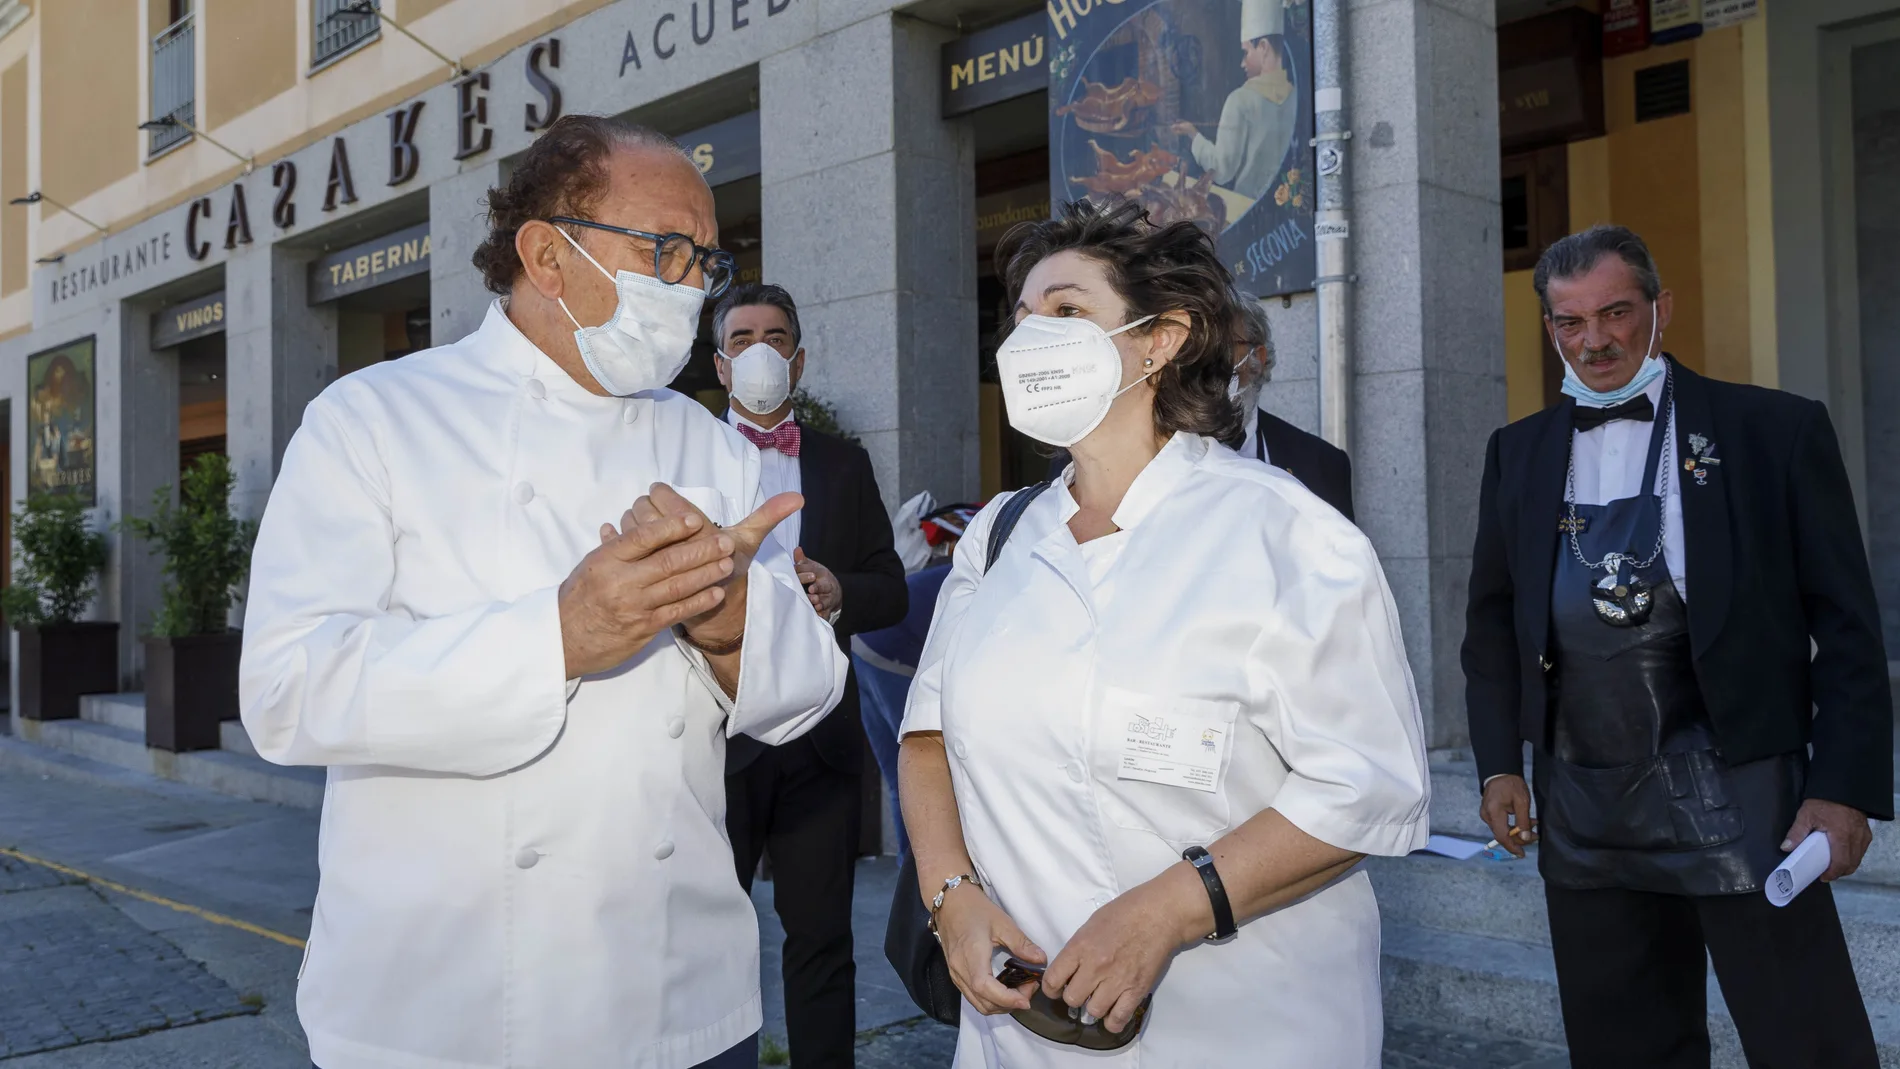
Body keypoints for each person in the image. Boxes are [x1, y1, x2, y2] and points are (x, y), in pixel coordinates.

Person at [239, 115, 848, 1069]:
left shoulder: (716, 448)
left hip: (678, 1000)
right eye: (665, 252)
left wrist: (730, 621)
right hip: (442, 1009)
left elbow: (808, 689)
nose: (691, 285)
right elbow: (285, 689)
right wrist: (560, 634)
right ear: (547, 255)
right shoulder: (375, 420)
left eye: (706, 262)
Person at [899, 199, 1430, 1067]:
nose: (1034, 336)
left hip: (1248, 1026)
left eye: (1067, 310)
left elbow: (1368, 783)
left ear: (1162, 339)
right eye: (1024, 316)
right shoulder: (997, 538)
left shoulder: (1288, 535)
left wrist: (1170, 908)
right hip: (1018, 1036)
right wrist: (950, 895)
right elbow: (926, 738)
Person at [1462, 224, 1892, 1068]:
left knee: (1810, 1046)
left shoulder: (1776, 430)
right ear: (1549, 328)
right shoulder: (1517, 453)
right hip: (1586, 810)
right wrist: (1497, 763)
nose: (1596, 341)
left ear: (1661, 309)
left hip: (1745, 798)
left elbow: (1846, 626)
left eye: (1616, 312)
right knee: (1625, 1050)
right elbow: (1490, 621)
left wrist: (1843, 787)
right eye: (1570, 322)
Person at [712, 281, 907, 1069]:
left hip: (820, 745)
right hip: (714, 739)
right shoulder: (681, 450)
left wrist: (840, 591)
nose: (759, 349)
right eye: (740, 337)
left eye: (774, 335)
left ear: (798, 356)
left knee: (822, 940)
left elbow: (890, 586)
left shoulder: (843, 463)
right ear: (720, 364)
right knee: (704, 938)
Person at [1228, 287, 1354, 519]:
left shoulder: (1322, 463)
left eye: (1223, 347)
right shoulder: (1155, 452)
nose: (1206, 363)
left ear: (1258, 359)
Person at [1167, 0, 1296, 201]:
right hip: (1282, 203)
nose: (1242, 63)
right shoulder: (1295, 96)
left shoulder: (1240, 100)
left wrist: (1193, 135)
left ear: (1263, 47)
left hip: (1249, 206)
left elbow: (1221, 170)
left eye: (1246, 53)